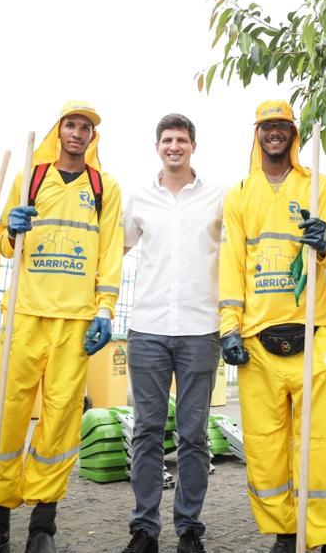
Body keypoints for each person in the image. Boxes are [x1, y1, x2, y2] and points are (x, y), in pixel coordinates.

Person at [0, 101, 124, 553]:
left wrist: (105, 310)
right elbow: (2, 246)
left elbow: (110, 252)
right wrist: (11, 230)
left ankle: (43, 522)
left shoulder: (104, 187)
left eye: (85, 128)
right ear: (58, 132)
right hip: (25, 316)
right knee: (8, 414)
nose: (78, 134)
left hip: (75, 322)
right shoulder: (30, 177)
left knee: (60, 421)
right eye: (71, 126)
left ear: (92, 138)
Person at [219, 99, 326, 553]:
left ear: (293, 134)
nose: (274, 133)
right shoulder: (239, 194)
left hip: (315, 332)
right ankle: (284, 532)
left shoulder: (320, 187)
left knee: (324, 443)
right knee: (265, 445)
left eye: (282, 127)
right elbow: (231, 266)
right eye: (266, 127)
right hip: (257, 341)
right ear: (256, 134)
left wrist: (325, 243)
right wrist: (228, 328)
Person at [119, 113, 225, 553]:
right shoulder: (140, 197)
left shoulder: (219, 197)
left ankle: (189, 528)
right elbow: (116, 248)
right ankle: (144, 527)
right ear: (157, 146)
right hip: (148, 328)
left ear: (193, 146)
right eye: (167, 140)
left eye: (182, 139)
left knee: (193, 433)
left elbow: (242, 247)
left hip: (202, 329)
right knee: (146, 430)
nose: (174, 146)